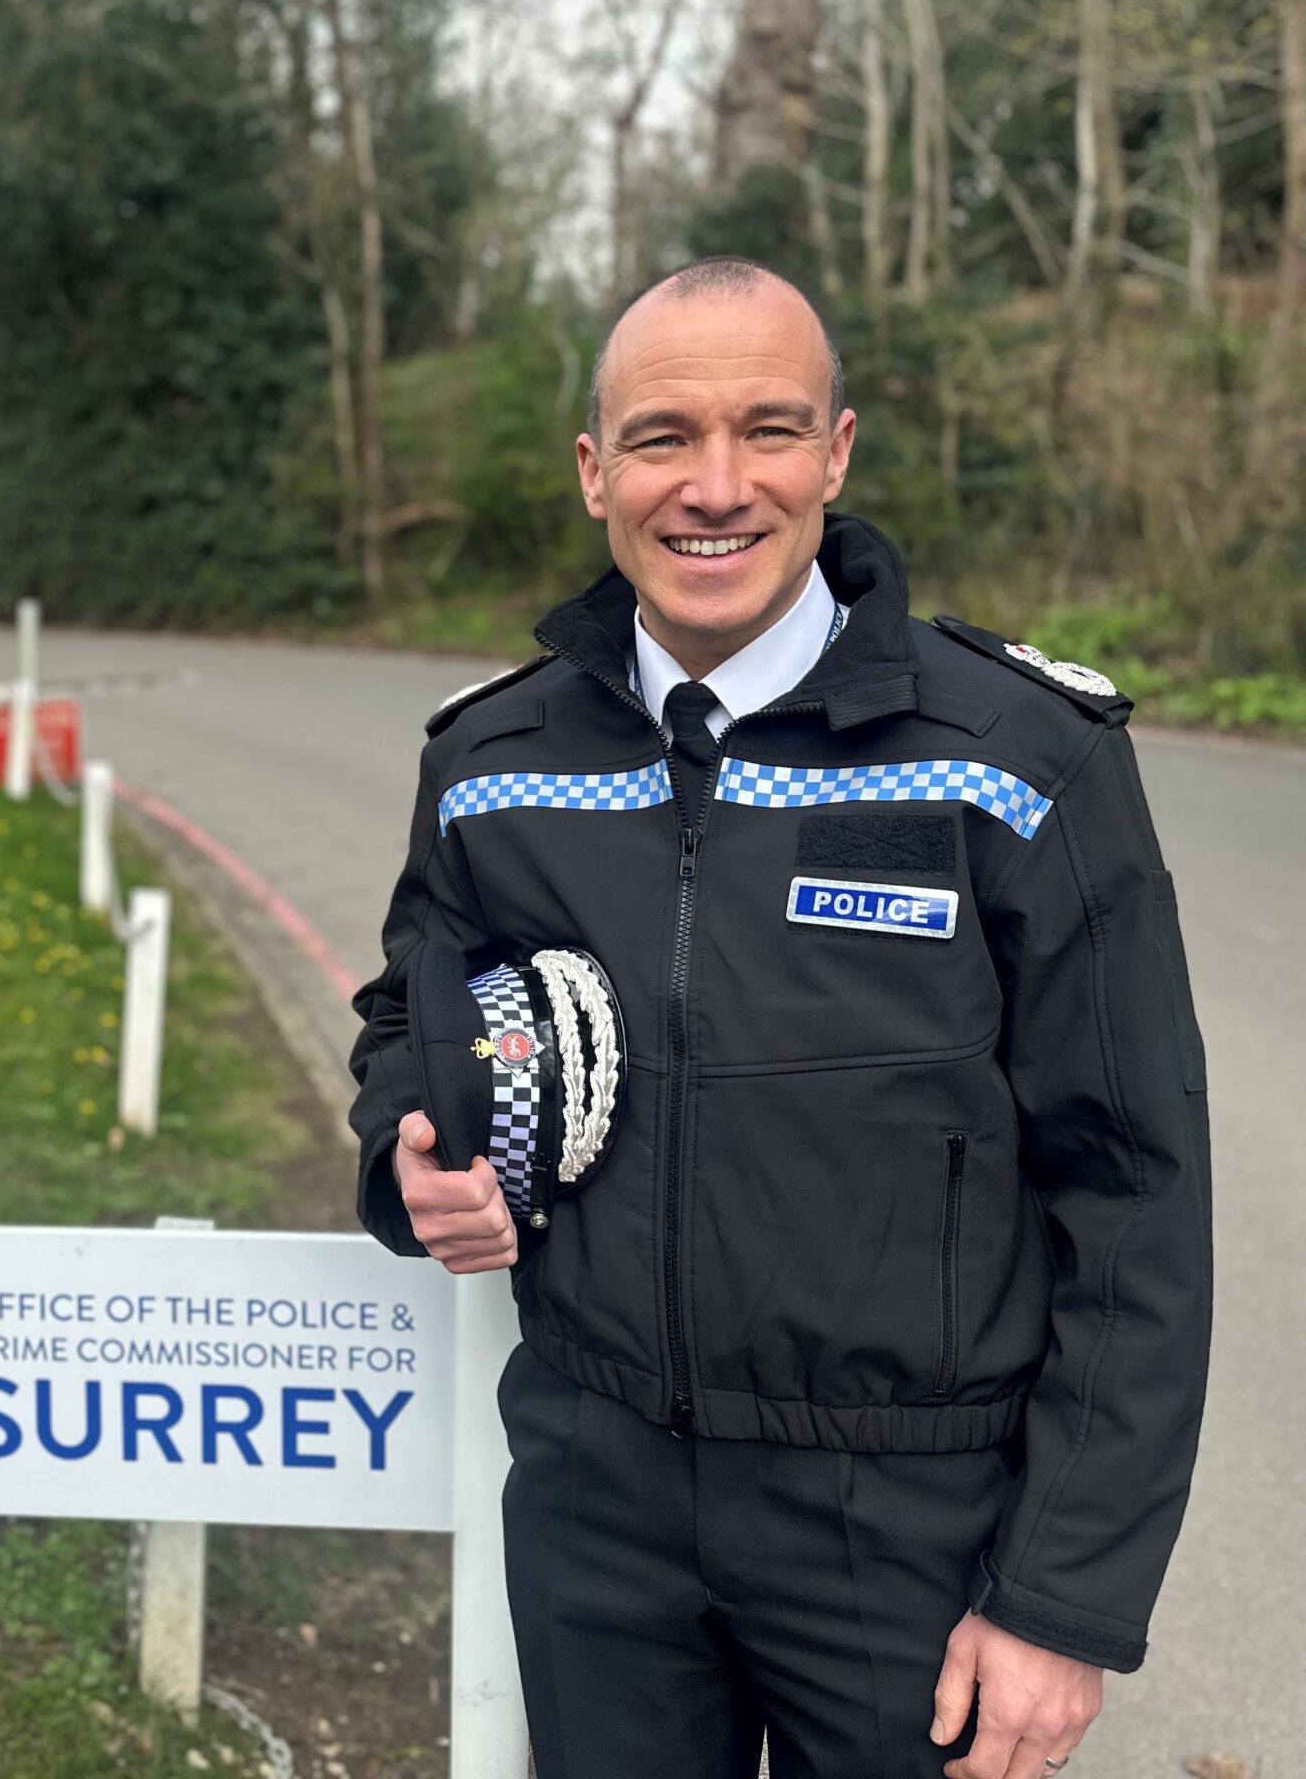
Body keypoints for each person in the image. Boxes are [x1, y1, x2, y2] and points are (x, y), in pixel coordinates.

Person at [348, 259, 1212, 1779]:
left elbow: (1136, 1188)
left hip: (910, 1533)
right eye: (667, 435)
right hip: (595, 1504)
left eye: (770, 429)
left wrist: (1064, 1600)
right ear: (594, 471)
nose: (718, 487)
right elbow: (411, 1021)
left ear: (838, 453)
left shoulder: (1015, 757)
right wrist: (406, 1161)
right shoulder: (490, 759)